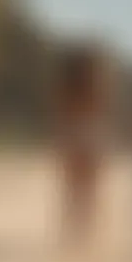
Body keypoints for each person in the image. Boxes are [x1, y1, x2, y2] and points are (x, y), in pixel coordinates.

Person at [55, 42, 109, 250]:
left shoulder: (67, 86)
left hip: (76, 133)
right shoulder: (93, 84)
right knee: (86, 186)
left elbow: (61, 114)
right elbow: (99, 110)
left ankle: (75, 230)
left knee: (74, 186)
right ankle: (83, 230)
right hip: (88, 133)